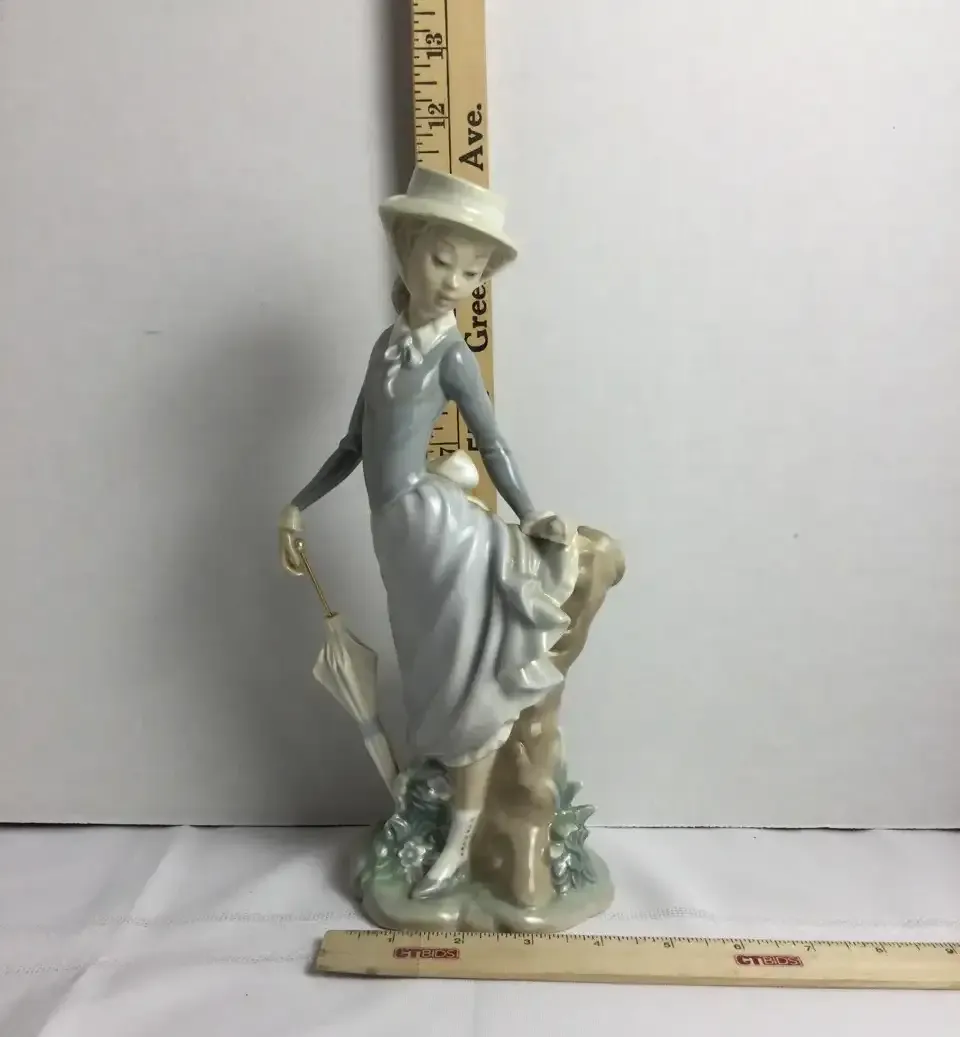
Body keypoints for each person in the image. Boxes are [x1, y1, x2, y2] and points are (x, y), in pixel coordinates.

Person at [279, 168, 579, 898]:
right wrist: (297, 504)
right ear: (406, 248)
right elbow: (353, 445)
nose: (454, 283)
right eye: (443, 260)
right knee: (429, 685)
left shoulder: (451, 355)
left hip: (441, 534)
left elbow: (491, 441)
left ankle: (460, 839)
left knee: (464, 689)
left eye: (472, 273)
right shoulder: (385, 347)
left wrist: (529, 511)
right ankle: (449, 814)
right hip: (397, 542)